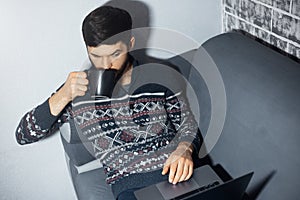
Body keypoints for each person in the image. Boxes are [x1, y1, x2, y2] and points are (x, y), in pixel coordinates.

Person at [15, 5, 203, 200]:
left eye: (114, 55)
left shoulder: (160, 75)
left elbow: (187, 124)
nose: (105, 65)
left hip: (180, 176)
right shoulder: (79, 90)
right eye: (96, 56)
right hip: (131, 188)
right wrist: (62, 96)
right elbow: (23, 135)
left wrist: (184, 149)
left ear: (130, 43)